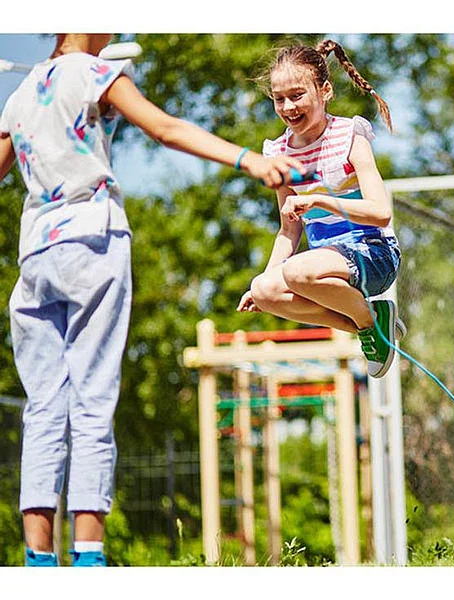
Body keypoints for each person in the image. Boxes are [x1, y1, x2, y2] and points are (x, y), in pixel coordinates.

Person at [0, 33, 303, 567]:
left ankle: (37, 563)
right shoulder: (94, 73)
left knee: (44, 408)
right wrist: (247, 160)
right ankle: (89, 560)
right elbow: (165, 128)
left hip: (36, 257)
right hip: (92, 240)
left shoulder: (20, 94)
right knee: (92, 401)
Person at [237, 40, 405, 379]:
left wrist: (320, 200)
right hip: (325, 266)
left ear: (325, 90)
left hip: (373, 255)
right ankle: (370, 325)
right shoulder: (278, 152)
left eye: (297, 95)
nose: (287, 106)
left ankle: (370, 322)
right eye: (278, 98)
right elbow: (289, 229)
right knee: (264, 288)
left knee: (298, 272)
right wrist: (267, 281)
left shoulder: (349, 136)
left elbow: (380, 212)